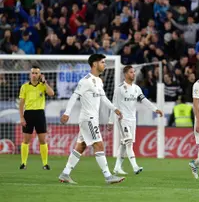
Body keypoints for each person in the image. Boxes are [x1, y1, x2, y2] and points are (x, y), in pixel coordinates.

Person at [58, 54, 125, 184]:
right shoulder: (85, 81)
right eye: (102, 62)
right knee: (99, 144)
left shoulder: (99, 81)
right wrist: (67, 113)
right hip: (88, 118)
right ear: (94, 64)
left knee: (81, 146)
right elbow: (74, 96)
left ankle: (65, 173)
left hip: (92, 119)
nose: (104, 65)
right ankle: (108, 176)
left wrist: (114, 108)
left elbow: (103, 98)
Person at [108, 65, 163, 175]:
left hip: (133, 120)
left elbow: (144, 100)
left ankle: (117, 167)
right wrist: (110, 121)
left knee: (124, 144)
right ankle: (135, 166)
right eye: (131, 72)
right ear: (126, 74)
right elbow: (114, 105)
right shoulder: (119, 89)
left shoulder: (136, 88)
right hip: (122, 119)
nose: (134, 74)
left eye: (134, 72)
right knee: (128, 142)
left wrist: (155, 109)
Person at [19, 66, 55, 170]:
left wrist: (45, 83)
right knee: (26, 140)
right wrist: (21, 118)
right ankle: (23, 163)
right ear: (30, 74)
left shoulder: (42, 86)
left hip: (40, 114)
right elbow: (21, 104)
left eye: (36, 73)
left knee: (42, 140)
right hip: (28, 114)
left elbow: (52, 93)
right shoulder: (24, 86)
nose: (34, 75)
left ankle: (45, 164)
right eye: (33, 73)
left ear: (40, 75)